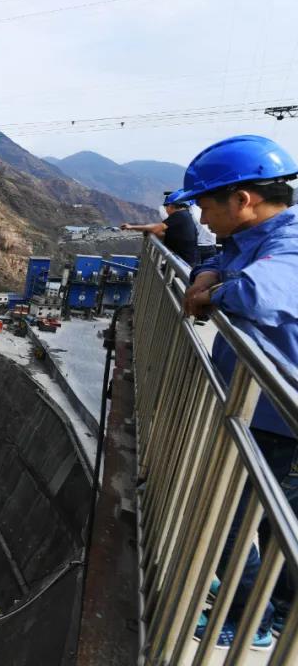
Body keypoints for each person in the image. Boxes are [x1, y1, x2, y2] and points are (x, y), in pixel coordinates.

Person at [175, 134, 298, 649]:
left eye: (206, 206)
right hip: (260, 411)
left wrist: (212, 294)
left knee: (231, 522)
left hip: (280, 419)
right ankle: (276, 615)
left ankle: (249, 619)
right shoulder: (258, 235)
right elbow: (219, 258)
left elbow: (256, 292)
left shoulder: (291, 243)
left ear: (242, 199)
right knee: (274, 523)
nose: (202, 219)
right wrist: (207, 274)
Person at [121, 192, 200, 265]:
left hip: (185, 263)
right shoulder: (185, 215)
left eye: (166, 206)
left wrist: (131, 227)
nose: (165, 209)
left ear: (171, 206)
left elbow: (156, 228)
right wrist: (148, 230)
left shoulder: (179, 215)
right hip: (187, 261)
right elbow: (167, 235)